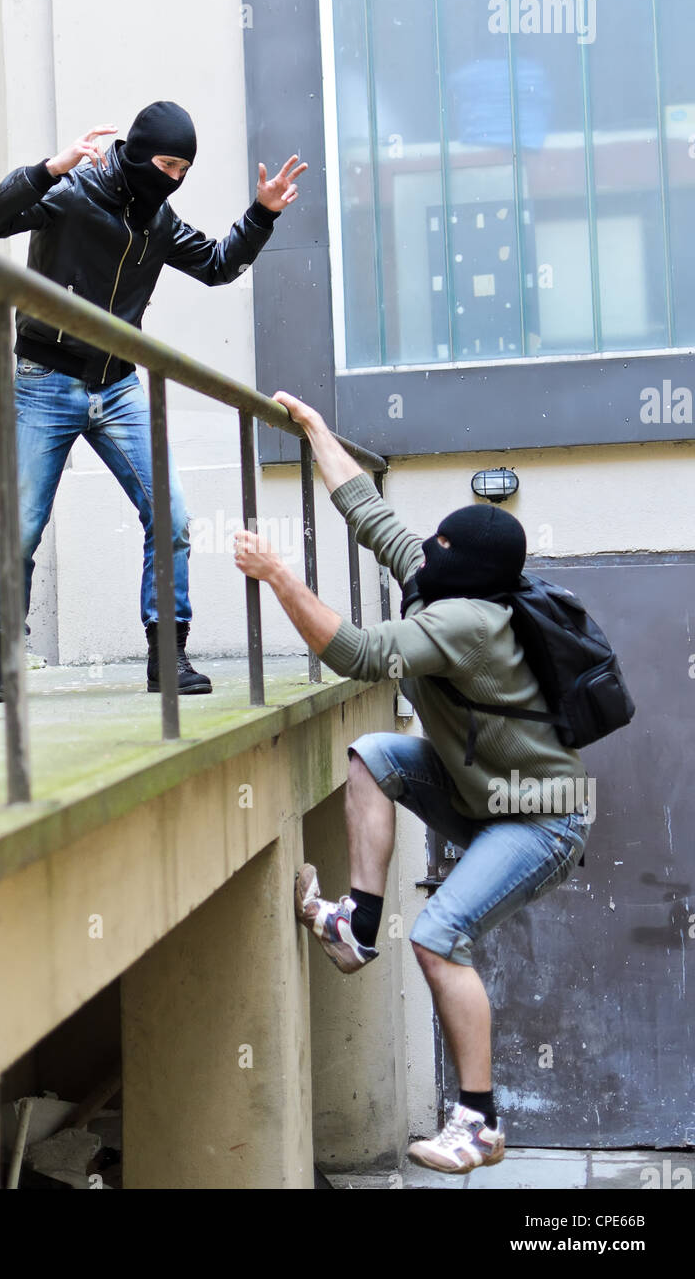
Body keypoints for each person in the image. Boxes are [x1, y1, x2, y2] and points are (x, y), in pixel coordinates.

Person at [233, 390, 590, 1175]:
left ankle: (480, 1124)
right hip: (482, 796)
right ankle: (358, 926)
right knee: (375, 752)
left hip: (543, 819)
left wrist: (277, 576)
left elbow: (359, 653)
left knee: (436, 936)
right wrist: (318, 431)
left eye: (441, 543)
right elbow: (369, 513)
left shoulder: (469, 624)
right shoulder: (447, 583)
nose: (425, 546)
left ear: (464, 566)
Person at [0, 101, 306, 692]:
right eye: (167, 164)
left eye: (183, 170)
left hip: (119, 385)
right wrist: (50, 167)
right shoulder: (72, 193)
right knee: (21, 526)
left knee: (171, 517)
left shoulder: (159, 222)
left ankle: (166, 657)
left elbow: (217, 266)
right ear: (139, 151)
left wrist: (261, 215)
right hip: (46, 381)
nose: (172, 179)